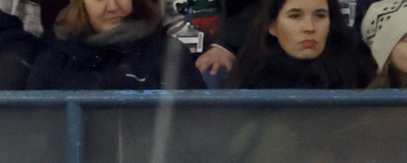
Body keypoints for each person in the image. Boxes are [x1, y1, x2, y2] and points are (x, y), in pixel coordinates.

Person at [26, 0, 206, 89]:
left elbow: (195, 123)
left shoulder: (167, 54)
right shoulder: (54, 58)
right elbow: (38, 132)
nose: (112, 6)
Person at [227, 0, 372, 88]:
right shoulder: (249, 76)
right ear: (273, 25)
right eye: (295, 16)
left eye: (320, 15)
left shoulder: (356, 72)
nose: (309, 27)